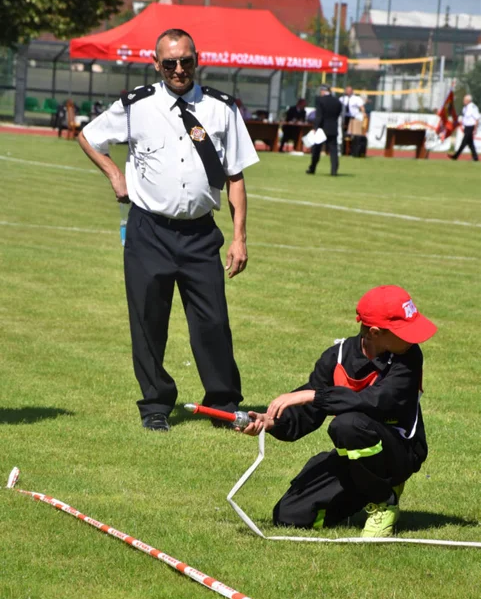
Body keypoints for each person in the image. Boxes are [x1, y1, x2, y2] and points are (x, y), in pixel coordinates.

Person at [78, 28, 259, 432]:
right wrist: (114, 176)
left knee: (212, 323)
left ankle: (223, 404)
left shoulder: (221, 109)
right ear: (156, 63)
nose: (179, 69)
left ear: (198, 60)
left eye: (186, 61)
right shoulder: (136, 106)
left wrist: (240, 237)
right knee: (147, 322)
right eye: (171, 62)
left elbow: (236, 176)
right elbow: (88, 137)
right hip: (149, 233)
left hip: (199, 235)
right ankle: (156, 405)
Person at [240, 285, 437, 538]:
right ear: (375, 332)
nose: (414, 338)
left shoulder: (408, 357)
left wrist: (316, 395)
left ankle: (384, 501)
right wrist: (271, 422)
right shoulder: (338, 357)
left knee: (346, 424)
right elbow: (308, 414)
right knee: (289, 517)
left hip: (401, 451)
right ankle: (368, 489)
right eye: (405, 332)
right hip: (358, 453)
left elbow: (377, 400)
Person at [306, 85, 341, 176]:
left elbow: (319, 116)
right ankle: (334, 170)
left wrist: (315, 128)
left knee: (316, 150)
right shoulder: (337, 101)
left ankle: (312, 168)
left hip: (322, 129)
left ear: (323, 91)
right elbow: (337, 114)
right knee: (333, 151)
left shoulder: (320, 100)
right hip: (333, 128)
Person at [448, 94, 479, 162]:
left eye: (464, 100)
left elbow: (477, 119)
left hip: (471, 127)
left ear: (468, 100)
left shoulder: (473, 107)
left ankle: (455, 156)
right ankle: (475, 157)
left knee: (464, 142)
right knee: (470, 144)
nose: (463, 101)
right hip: (466, 127)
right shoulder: (465, 107)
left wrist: (475, 129)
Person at [340, 85, 365, 151]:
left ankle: (353, 149)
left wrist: (363, 114)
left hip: (354, 118)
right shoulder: (342, 98)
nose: (348, 92)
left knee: (353, 134)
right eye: (347, 90)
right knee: (344, 133)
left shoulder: (356, 99)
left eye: (350, 90)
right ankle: (344, 148)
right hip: (345, 118)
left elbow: (361, 107)